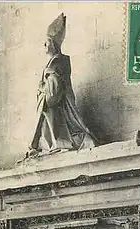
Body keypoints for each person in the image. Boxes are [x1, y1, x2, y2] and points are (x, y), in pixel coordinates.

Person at [28, 13, 96, 157]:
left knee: (48, 110)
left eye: (46, 42)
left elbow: (53, 95)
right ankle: (52, 143)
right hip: (54, 102)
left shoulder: (56, 62)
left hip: (58, 104)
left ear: (53, 44)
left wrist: (42, 88)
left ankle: (59, 142)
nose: (44, 45)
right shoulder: (56, 62)